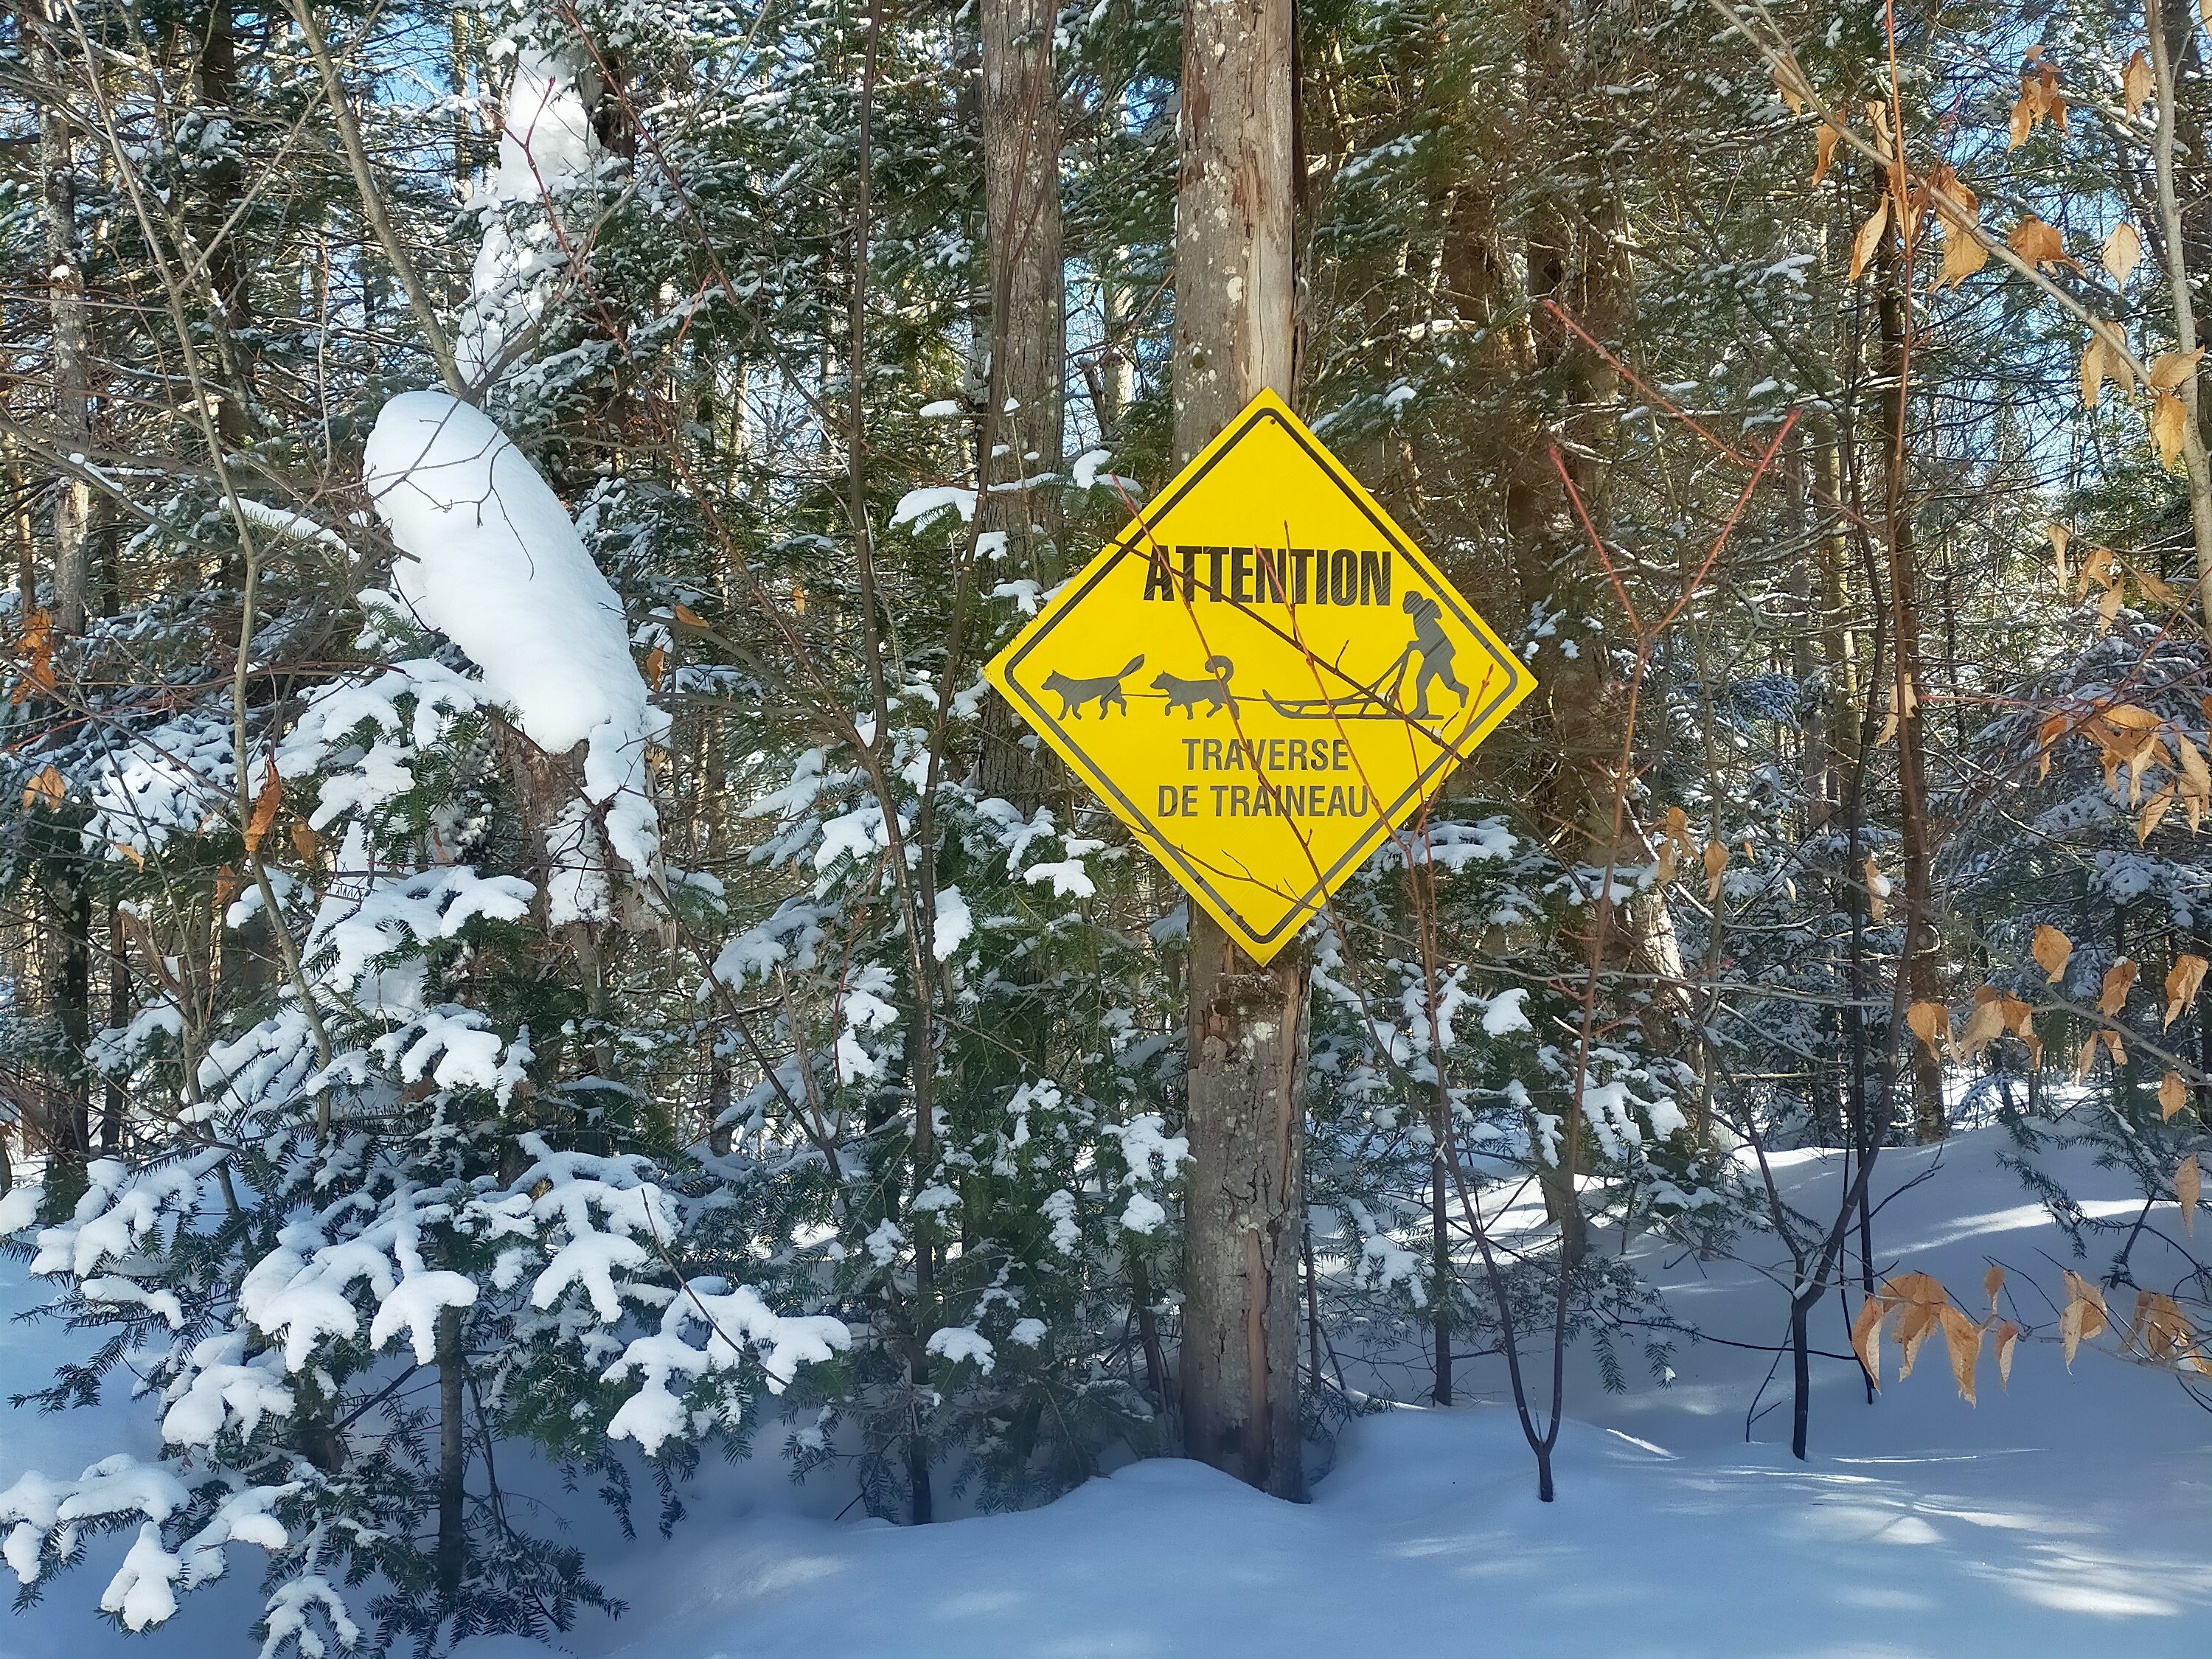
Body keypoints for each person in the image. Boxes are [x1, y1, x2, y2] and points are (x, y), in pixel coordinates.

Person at [1397, 590, 1468, 720]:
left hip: (1439, 654)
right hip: (1434, 655)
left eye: (1406, 602)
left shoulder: (1422, 617)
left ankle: (1462, 690)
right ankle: (1422, 710)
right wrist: (1416, 644)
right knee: (1423, 682)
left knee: (1445, 683)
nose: (1404, 605)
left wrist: (1416, 645)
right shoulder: (1418, 617)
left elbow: (1430, 638)